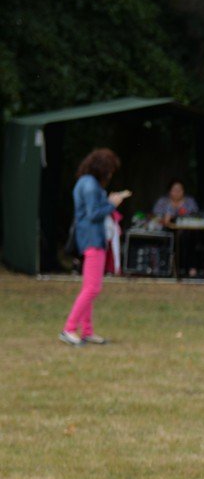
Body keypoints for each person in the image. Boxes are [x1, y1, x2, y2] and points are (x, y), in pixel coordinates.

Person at [61, 148, 130, 347]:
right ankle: (69, 328)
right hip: (92, 238)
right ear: (102, 168)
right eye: (110, 170)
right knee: (93, 288)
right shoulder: (91, 185)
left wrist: (107, 201)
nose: (110, 175)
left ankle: (87, 331)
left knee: (89, 287)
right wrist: (112, 204)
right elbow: (93, 214)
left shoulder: (84, 182)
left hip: (88, 237)